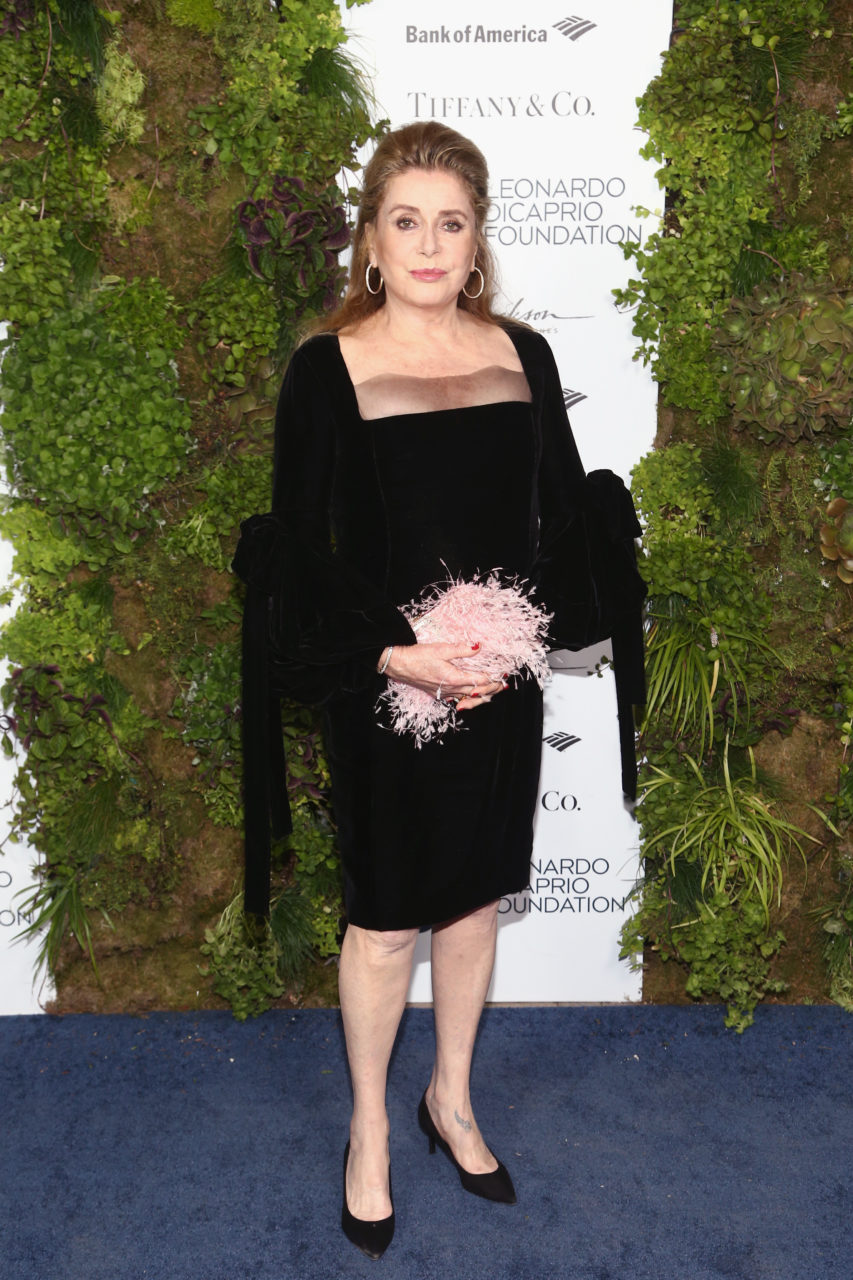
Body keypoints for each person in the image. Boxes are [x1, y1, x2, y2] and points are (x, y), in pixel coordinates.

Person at [266, 121, 590, 1260]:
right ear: (368, 238)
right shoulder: (327, 369)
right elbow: (304, 548)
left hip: (496, 680)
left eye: (450, 222)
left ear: (476, 242)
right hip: (385, 685)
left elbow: (559, 519)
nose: (428, 242)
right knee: (384, 917)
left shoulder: (523, 356)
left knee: (470, 901)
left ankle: (449, 1095)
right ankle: (369, 1126)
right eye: (405, 219)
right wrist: (395, 652)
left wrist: (513, 632)